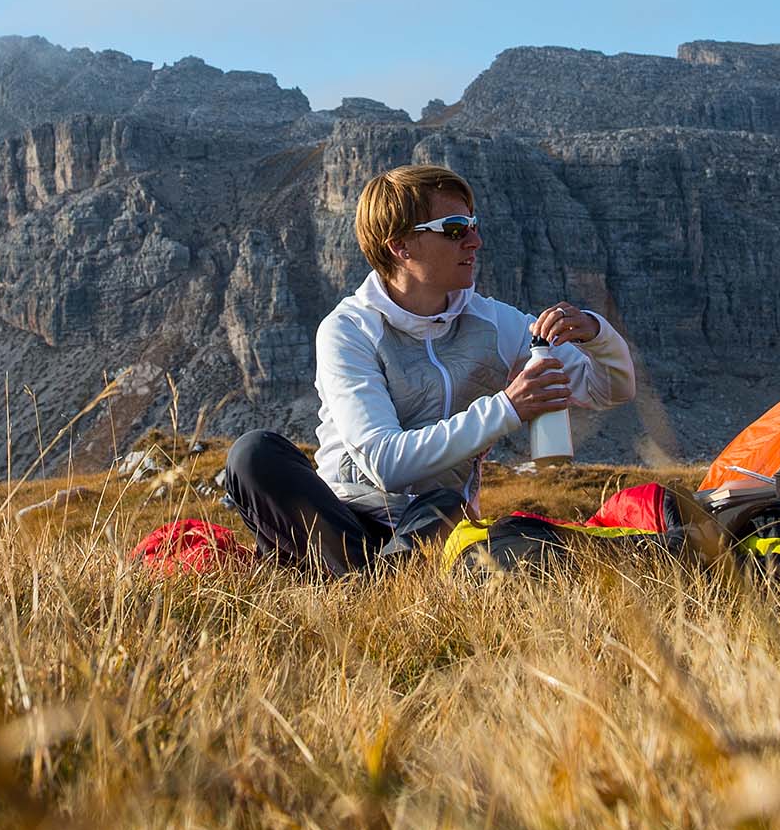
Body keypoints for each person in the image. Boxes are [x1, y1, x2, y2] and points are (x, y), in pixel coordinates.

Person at [223, 164, 637, 573]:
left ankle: (373, 577)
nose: (475, 240)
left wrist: (594, 333)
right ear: (401, 245)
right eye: (456, 228)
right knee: (254, 453)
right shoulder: (348, 330)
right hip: (346, 521)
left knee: (446, 504)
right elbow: (386, 462)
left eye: (473, 224)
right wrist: (508, 409)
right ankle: (378, 572)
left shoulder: (497, 323)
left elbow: (610, 391)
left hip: (435, 526)